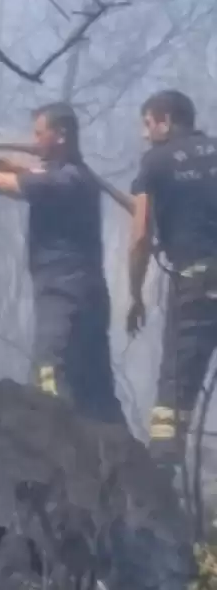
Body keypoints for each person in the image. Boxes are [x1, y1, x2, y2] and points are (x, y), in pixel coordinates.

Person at [0, 102, 126, 426]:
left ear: (60, 135)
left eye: (39, 133)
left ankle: (60, 447)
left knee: (49, 372)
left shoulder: (65, 180)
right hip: (84, 293)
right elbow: (20, 174)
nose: (33, 140)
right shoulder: (70, 176)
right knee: (96, 386)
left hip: (63, 294)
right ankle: (124, 459)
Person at [126, 89, 217, 470]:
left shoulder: (155, 163)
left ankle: (161, 493)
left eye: (148, 124)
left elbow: (141, 237)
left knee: (173, 400)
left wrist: (135, 295)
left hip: (196, 288)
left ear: (165, 120)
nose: (146, 135)